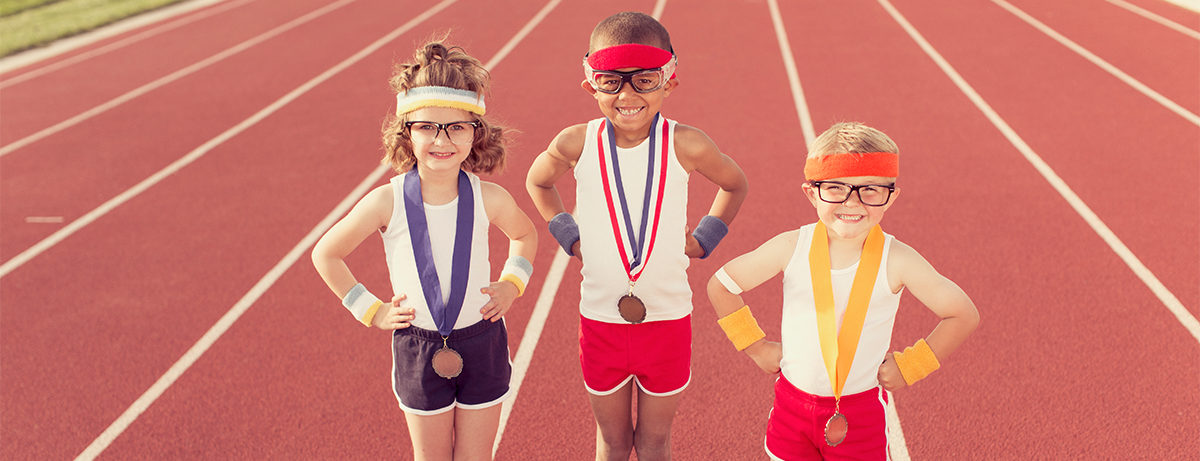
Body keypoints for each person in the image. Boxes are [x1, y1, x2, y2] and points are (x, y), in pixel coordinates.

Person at [525, 11, 749, 461]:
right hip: (601, 320)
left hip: (667, 320)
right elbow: (538, 182)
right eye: (611, 81)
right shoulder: (576, 142)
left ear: (669, 83)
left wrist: (705, 237)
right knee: (611, 442)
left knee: (654, 442)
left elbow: (735, 183)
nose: (626, 94)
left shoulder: (687, 143)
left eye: (644, 80)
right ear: (591, 84)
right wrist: (568, 234)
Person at [311, 40, 536, 461]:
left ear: (476, 132)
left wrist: (512, 283)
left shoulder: (490, 197)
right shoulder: (387, 201)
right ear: (407, 132)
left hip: (483, 339)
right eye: (427, 126)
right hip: (418, 347)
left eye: (456, 127)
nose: (442, 139)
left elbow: (526, 236)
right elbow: (326, 254)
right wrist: (370, 309)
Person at [707, 122, 979, 460]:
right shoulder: (791, 247)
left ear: (891, 196)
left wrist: (913, 366)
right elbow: (721, 286)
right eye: (835, 188)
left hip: (860, 414)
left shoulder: (897, 259)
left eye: (871, 190)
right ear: (811, 193)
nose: (852, 203)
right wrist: (756, 346)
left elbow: (962, 313)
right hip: (791, 408)